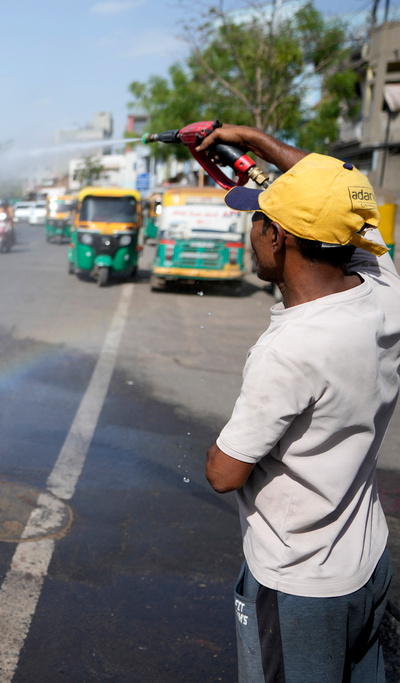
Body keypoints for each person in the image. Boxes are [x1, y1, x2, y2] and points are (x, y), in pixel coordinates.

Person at [199, 124, 400, 682]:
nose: (252, 230)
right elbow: (341, 188)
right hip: (366, 564)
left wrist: (216, 448)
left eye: (258, 219)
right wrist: (251, 143)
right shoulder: (384, 288)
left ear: (277, 238)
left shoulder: (290, 351)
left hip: (301, 586)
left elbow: (223, 473)